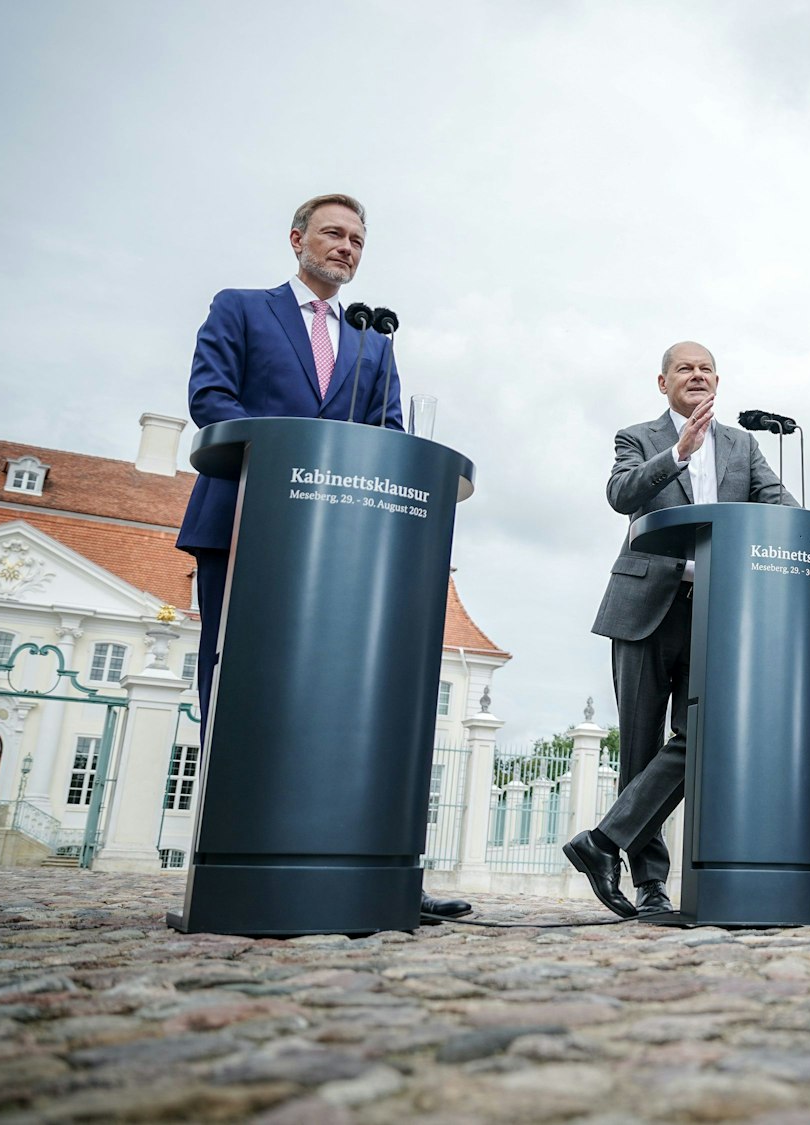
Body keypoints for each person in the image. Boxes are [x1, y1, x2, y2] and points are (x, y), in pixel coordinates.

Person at [177, 193, 468, 923]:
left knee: (348, 695)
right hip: (246, 529)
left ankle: (369, 865)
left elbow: (390, 436)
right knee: (238, 684)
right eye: (334, 234)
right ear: (297, 239)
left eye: (358, 240)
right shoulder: (241, 308)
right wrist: (295, 454)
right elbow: (211, 400)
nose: (346, 247)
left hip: (346, 550)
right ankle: (231, 860)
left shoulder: (375, 342)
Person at [562, 342, 794, 918]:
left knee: (704, 733)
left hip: (718, 608)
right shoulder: (637, 436)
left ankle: (602, 842)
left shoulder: (744, 445)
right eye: (685, 369)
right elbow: (621, 495)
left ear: (719, 381)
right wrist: (678, 453)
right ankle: (650, 886)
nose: (697, 375)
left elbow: (773, 499)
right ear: (662, 381)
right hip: (645, 605)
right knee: (639, 748)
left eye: (706, 369)